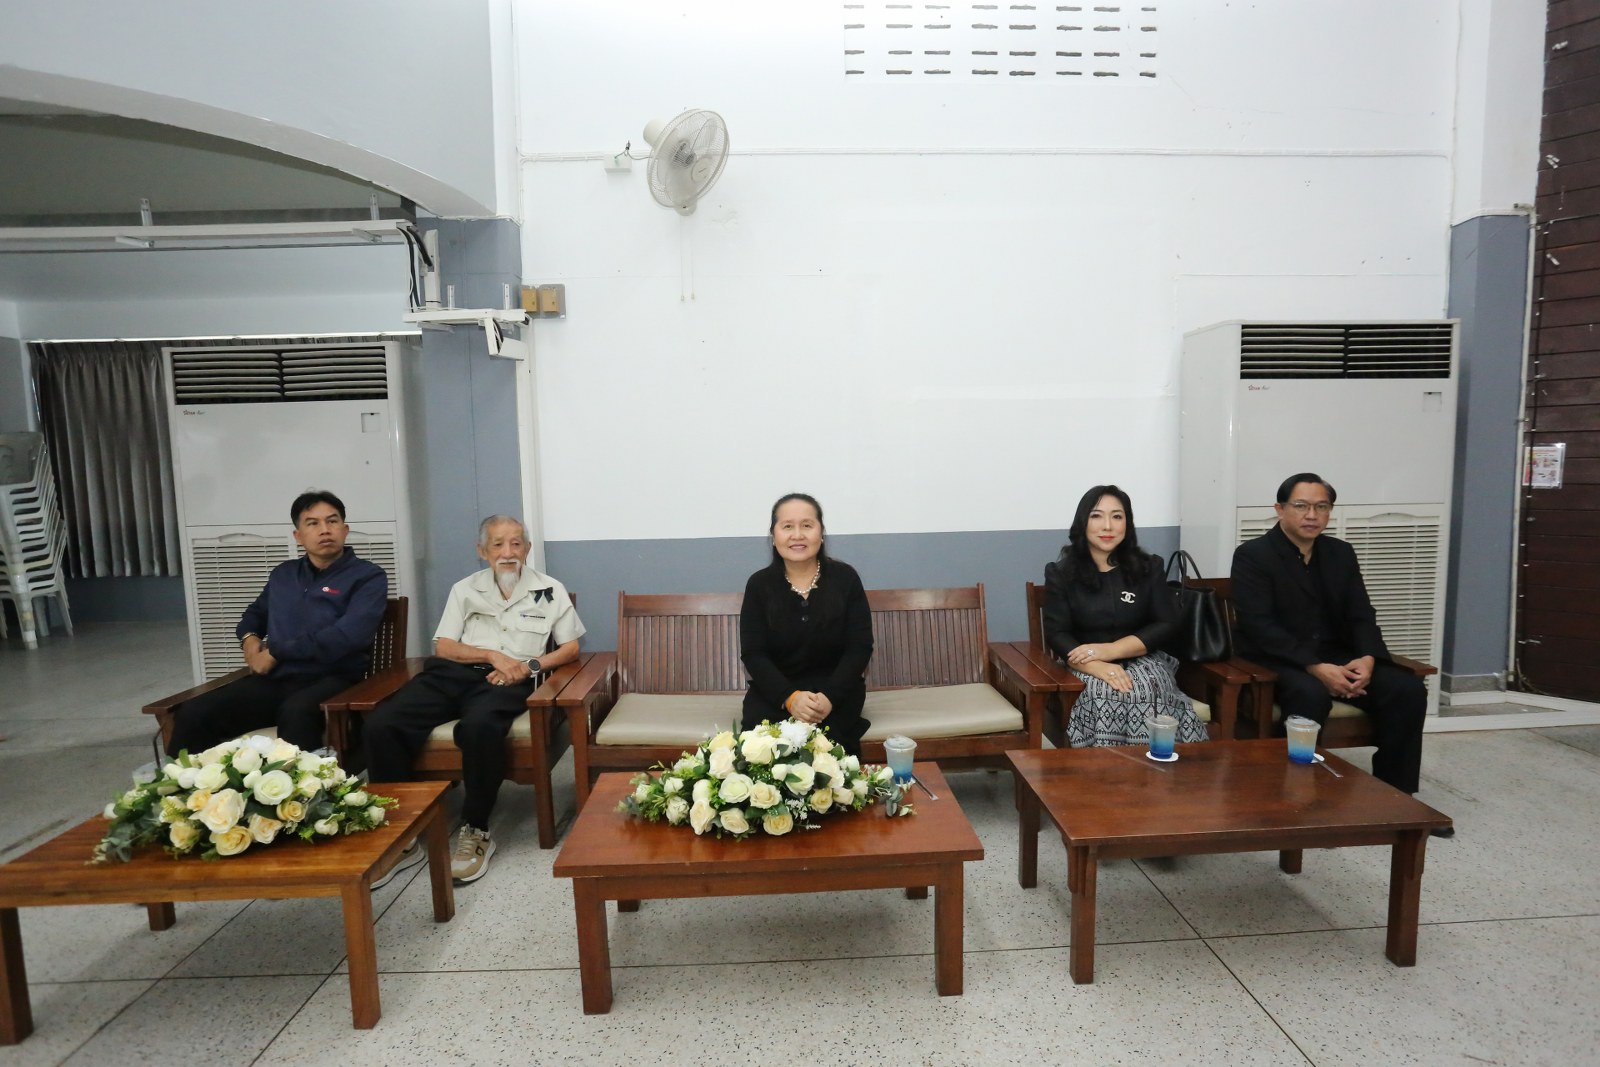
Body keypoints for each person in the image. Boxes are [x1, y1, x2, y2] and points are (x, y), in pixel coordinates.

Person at [362, 515, 583, 884]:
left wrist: (528, 666)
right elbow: (445, 646)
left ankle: (476, 829)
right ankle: (400, 834)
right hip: (453, 674)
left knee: (479, 727)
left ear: (527, 549)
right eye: (498, 544)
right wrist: (490, 655)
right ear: (482, 551)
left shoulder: (549, 589)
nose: (508, 552)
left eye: (516, 543)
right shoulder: (464, 589)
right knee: (382, 724)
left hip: (510, 680)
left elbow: (571, 648)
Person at [1230, 473, 1440, 829]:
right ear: (1280, 509)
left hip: (1337, 655)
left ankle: (1396, 797)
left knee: (1406, 690)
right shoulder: (1254, 555)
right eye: (1301, 506)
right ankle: (1300, 800)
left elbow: (1362, 614)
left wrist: (1367, 658)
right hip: (1279, 659)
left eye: (1321, 507)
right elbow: (1258, 626)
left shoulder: (1340, 553)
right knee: (1309, 694)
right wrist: (1315, 667)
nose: (1312, 515)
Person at [166, 490, 387, 757]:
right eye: (313, 523)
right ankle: (192, 783)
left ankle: (299, 784)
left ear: (345, 529)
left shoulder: (368, 576)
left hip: (333, 678)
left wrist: (276, 652)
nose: (325, 530)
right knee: (194, 712)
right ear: (298, 535)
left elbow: (347, 636)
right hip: (278, 678)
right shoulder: (284, 574)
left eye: (332, 521)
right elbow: (255, 614)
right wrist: (249, 639)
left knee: (296, 712)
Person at [1042, 485, 1207, 749]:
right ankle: (1103, 769)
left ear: (1127, 523)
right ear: (1083, 522)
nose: (1107, 526)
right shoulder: (1060, 573)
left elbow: (1166, 623)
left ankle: (1157, 767)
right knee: (1102, 691)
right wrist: (1097, 666)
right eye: (1097, 516)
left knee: (1146, 688)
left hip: (1143, 658)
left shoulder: (1149, 567)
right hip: (1083, 663)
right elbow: (1057, 633)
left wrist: (1111, 650)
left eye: (1117, 516)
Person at [740, 493, 874, 755]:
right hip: (775, 695)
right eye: (787, 526)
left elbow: (859, 648)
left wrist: (829, 697)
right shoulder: (759, 585)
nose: (797, 535)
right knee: (762, 753)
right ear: (774, 535)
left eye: (807, 525)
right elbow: (754, 654)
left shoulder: (845, 579)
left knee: (831, 755)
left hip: (835, 695)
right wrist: (790, 698)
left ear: (821, 533)